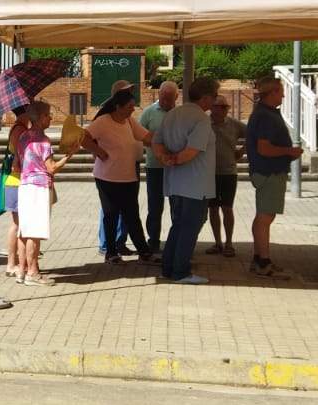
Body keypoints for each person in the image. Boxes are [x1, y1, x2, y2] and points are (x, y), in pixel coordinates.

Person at [155, 76, 220, 285]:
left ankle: (168, 267)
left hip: (175, 183)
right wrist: (175, 159)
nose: (215, 101)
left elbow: (156, 142)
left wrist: (165, 158)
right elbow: (192, 151)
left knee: (178, 225)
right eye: (215, 96)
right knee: (190, 227)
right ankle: (180, 271)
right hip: (196, 183)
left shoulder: (172, 114)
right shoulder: (201, 118)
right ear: (206, 97)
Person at [78, 88, 154, 264]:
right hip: (107, 178)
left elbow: (147, 136)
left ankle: (143, 251)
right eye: (129, 107)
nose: (132, 110)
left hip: (128, 177)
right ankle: (111, 252)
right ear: (118, 107)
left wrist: (165, 139)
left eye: (133, 106)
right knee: (110, 214)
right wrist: (98, 151)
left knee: (132, 216)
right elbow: (83, 137)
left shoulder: (129, 121)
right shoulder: (103, 122)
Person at [244, 76, 303, 279]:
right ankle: (263, 261)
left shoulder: (263, 113)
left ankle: (259, 257)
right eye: (280, 91)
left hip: (266, 171)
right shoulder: (266, 116)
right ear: (272, 93)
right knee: (265, 217)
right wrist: (289, 151)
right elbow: (264, 148)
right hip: (269, 171)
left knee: (263, 216)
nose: (283, 95)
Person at [14, 101, 68, 285]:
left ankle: (21, 270)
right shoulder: (43, 141)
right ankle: (33, 273)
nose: (51, 118)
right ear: (40, 117)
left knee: (24, 231)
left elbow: (17, 164)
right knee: (35, 232)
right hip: (39, 187)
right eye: (48, 115)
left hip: (24, 185)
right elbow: (51, 168)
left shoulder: (22, 137)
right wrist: (69, 156)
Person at [136, 81, 178, 254]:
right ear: (159, 94)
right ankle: (153, 240)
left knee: (177, 205)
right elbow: (139, 135)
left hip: (177, 167)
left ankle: (176, 240)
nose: (166, 101)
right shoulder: (149, 112)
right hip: (155, 167)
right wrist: (156, 143)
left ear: (176, 97)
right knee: (155, 206)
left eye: (170, 98)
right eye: (163, 98)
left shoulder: (180, 113)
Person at [206, 97, 247, 256]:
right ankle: (217, 243)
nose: (224, 110)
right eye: (220, 106)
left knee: (227, 208)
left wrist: (242, 150)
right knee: (213, 208)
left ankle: (229, 243)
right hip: (210, 173)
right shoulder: (205, 124)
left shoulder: (234, 124)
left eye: (226, 107)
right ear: (212, 107)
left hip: (229, 173)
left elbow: (252, 134)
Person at [0, 105, 32, 277]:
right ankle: (13, 264)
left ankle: (15, 263)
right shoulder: (20, 130)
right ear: (25, 113)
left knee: (17, 224)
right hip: (17, 181)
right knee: (18, 225)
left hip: (14, 181)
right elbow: (22, 156)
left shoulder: (18, 128)